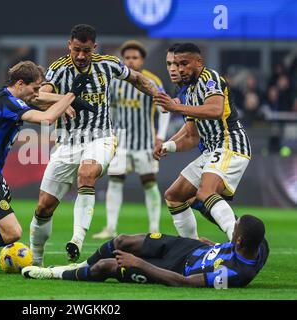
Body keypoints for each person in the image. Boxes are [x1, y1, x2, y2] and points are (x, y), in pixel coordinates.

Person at [29, 24, 161, 265]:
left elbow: (138, 79)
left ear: (94, 48)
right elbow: (39, 96)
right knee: (43, 207)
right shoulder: (59, 69)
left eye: (86, 51)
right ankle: (35, 260)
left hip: (101, 137)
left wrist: (160, 96)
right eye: (77, 50)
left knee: (86, 173)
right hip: (67, 143)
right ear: (69, 45)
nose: (81, 56)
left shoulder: (108, 64)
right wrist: (66, 99)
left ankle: (77, 240)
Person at [0, 61, 92, 274]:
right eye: (34, 88)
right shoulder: (9, 104)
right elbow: (47, 117)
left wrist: (67, 99)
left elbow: (38, 99)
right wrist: (71, 95)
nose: (36, 93)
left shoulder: (4, 96)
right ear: (20, 83)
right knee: (12, 233)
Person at [153, 43, 251, 241]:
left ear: (199, 62)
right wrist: (168, 146)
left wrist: (176, 108)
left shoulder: (210, 79)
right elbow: (191, 136)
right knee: (174, 196)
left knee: (206, 192)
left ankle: (238, 245)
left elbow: (215, 110)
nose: (180, 69)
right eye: (176, 64)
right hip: (211, 150)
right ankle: (192, 247)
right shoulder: (188, 92)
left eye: (184, 63)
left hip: (230, 143)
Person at [22, 214, 269, 288]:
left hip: (175, 269)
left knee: (106, 267)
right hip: (185, 247)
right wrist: (213, 247)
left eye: (234, 229)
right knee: (122, 240)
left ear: (239, 241)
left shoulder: (236, 274)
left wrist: (139, 264)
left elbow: (185, 282)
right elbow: (235, 247)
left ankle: (54, 274)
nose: (231, 227)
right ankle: (79, 266)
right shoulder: (259, 244)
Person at [93, 40, 170, 239]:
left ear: (142, 60)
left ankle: (154, 227)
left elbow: (164, 110)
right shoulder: (116, 81)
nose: (130, 61)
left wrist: (160, 136)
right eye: (127, 58)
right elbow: (109, 109)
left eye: (134, 58)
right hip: (121, 141)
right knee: (115, 181)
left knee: (149, 183)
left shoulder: (152, 81)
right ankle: (110, 228)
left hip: (145, 142)